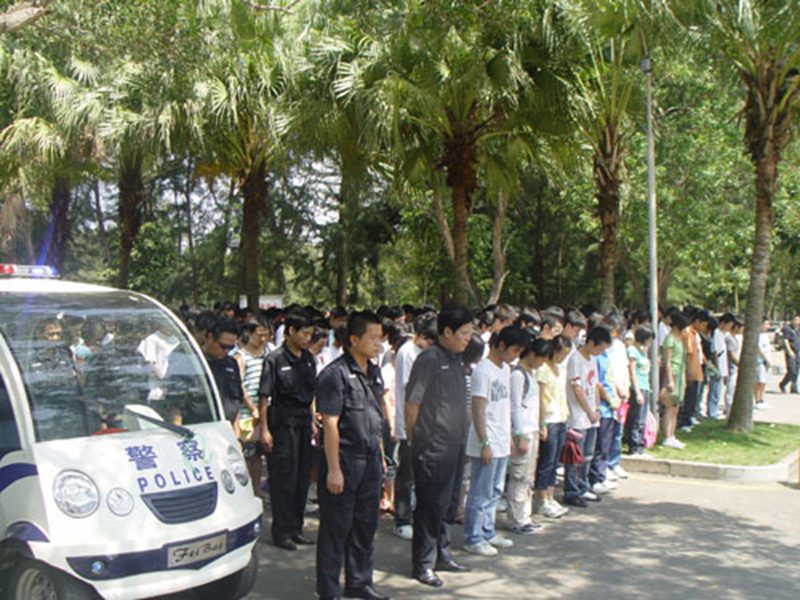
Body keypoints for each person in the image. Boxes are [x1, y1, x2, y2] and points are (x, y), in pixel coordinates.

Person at [315, 312, 389, 600]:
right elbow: (330, 424)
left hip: (370, 459)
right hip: (345, 459)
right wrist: (334, 469)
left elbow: (376, 417)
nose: (378, 344)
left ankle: (359, 582)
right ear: (354, 339)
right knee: (336, 529)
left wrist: (381, 455)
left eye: (380, 338)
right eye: (373, 338)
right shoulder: (334, 375)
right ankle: (328, 590)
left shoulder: (374, 371)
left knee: (365, 525)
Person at [404, 305, 474, 588]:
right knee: (430, 506)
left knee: (449, 504)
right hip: (433, 447)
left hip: (456, 444)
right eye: (464, 333)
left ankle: (442, 554)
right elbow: (412, 404)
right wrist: (416, 441)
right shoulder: (429, 360)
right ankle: (423, 563)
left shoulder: (457, 360)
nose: (468, 338)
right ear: (447, 331)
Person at [462, 326, 527, 556]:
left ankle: (487, 531)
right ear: (501, 345)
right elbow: (478, 408)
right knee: (480, 492)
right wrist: (484, 442)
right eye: (514, 350)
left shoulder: (505, 370)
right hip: (486, 440)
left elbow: (505, 407)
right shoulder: (483, 370)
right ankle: (473, 537)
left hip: (500, 439)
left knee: (495, 490)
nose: (515, 355)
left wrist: (509, 436)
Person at [258, 310, 318, 551]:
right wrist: (264, 429)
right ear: (291, 331)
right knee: (284, 478)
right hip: (282, 425)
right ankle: (281, 531)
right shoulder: (274, 359)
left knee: (302, 478)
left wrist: (312, 420)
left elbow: (311, 394)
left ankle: (296, 528)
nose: (307, 338)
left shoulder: (308, 359)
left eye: (310, 334)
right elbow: (264, 396)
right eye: (304, 333)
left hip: (303, 423)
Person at [563, 326, 612, 508]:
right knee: (575, 455)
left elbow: (595, 385)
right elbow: (577, 389)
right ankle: (572, 490)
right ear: (591, 342)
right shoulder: (575, 359)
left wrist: (597, 408)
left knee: (588, 455)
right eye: (600, 348)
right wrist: (589, 411)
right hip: (578, 416)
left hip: (592, 415)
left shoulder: (592, 359)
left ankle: (583, 486)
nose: (601, 352)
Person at [506, 337, 549, 534]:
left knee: (528, 476)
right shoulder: (517, 375)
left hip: (532, 430)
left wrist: (540, 425)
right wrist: (519, 434)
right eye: (541, 359)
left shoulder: (530, 374)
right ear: (532, 355)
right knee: (519, 475)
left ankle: (525, 515)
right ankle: (517, 518)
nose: (542, 363)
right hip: (523, 431)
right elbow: (515, 406)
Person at [533, 335, 571, 519]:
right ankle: (542, 500)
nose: (562, 358)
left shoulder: (560, 369)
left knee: (555, 461)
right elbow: (540, 398)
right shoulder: (543, 369)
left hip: (561, 417)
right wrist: (541, 423)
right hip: (549, 418)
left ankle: (550, 496)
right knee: (546, 462)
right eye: (561, 354)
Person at [232, 318, 269, 496]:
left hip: (265, 411)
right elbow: (239, 385)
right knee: (248, 453)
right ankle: (247, 490)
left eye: (265, 335)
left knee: (259, 454)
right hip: (248, 413)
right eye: (259, 335)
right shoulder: (241, 357)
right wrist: (252, 407)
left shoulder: (268, 354)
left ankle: (257, 487)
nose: (262, 339)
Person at [202, 317, 243, 427]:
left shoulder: (231, 364)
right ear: (210, 337)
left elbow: (236, 402)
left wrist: (235, 434)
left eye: (231, 348)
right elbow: (177, 407)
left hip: (226, 429)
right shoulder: (193, 362)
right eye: (223, 346)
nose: (226, 351)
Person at [661, 311, 689, 448]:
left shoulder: (680, 339)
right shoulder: (670, 339)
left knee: (676, 407)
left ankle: (672, 435)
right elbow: (667, 361)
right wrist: (670, 380)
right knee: (670, 406)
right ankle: (667, 436)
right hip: (673, 372)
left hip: (680, 372)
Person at [626, 325, 654, 455]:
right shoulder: (632, 350)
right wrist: (637, 392)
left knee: (642, 418)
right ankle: (634, 445)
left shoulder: (642, 351)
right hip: (638, 387)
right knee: (636, 418)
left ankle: (640, 445)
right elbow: (632, 372)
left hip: (645, 386)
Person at [779, 316, 800, 394]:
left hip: (797, 351)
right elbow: (786, 340)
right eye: (796, 320)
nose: (798, 321)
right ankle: (782, 384)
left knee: (797, 370)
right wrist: (789, 351)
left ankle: (793, 387)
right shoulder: (788, 329)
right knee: (791, 370)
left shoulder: (798, 329)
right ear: (792, 320)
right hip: (791, 352)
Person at [755, 317, 772, 410]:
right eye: (766, 324)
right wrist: (765, 359)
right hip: (760, 361)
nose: (767, 326)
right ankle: (757, 400)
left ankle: (762, 399)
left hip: (767, 361)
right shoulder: (757, 335)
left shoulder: (765, 335)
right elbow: (759, 349)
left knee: (764, 381)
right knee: (759, 381)